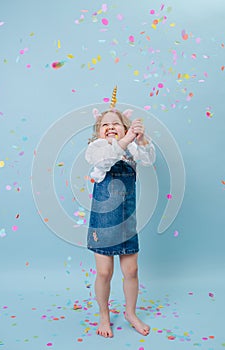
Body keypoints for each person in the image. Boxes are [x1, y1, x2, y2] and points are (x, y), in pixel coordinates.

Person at [85, 87, 156, 338]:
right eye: (105, 124)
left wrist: (141, 139)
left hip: (126, 221)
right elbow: (106, 160)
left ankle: (130, 312)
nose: (111, 127)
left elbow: (147, 160)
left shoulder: (130, 151)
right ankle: (104, 314)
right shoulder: (98, 148)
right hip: (104, 223)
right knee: (104, 272)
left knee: (132, 271)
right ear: (98, 131)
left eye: (117, 123)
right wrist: (125, 140)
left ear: (126, 128)